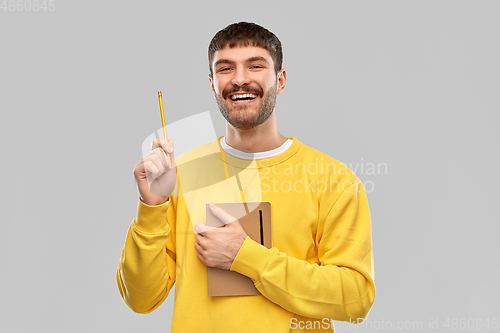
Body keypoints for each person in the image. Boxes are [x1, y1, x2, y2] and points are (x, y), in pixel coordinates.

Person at [117, 22, 375, 332]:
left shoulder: (332, 179)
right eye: (225, 69)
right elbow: (140, 299)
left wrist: (246, 257)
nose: (239, 79)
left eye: (255, 66)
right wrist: (152, 205)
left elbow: (356, 299)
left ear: (280, 80)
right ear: (212, 83)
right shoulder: (180, 175)